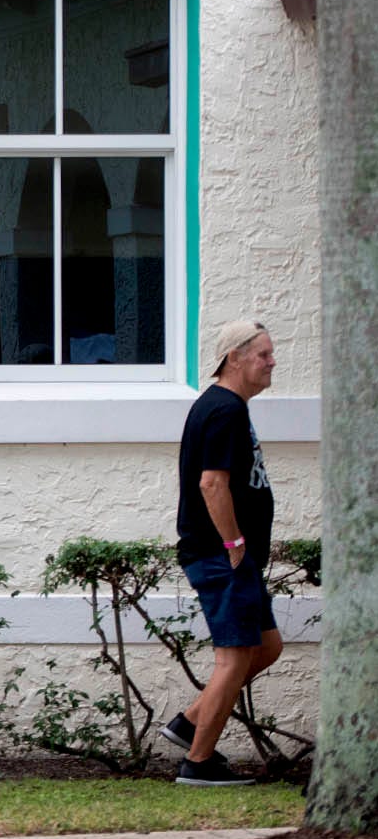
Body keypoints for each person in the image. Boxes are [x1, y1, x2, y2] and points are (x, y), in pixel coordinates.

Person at [163, 320, 284, 786]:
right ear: (234, 357)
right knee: (233, 659)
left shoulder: (229, 407)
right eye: (264, 355)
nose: (272, 362)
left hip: (235, 558)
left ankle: (190, 721)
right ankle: (198, 762)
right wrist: (234, 545)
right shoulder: (223, 410)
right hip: (221, 556)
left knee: (266, 646)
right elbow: (212, 483)